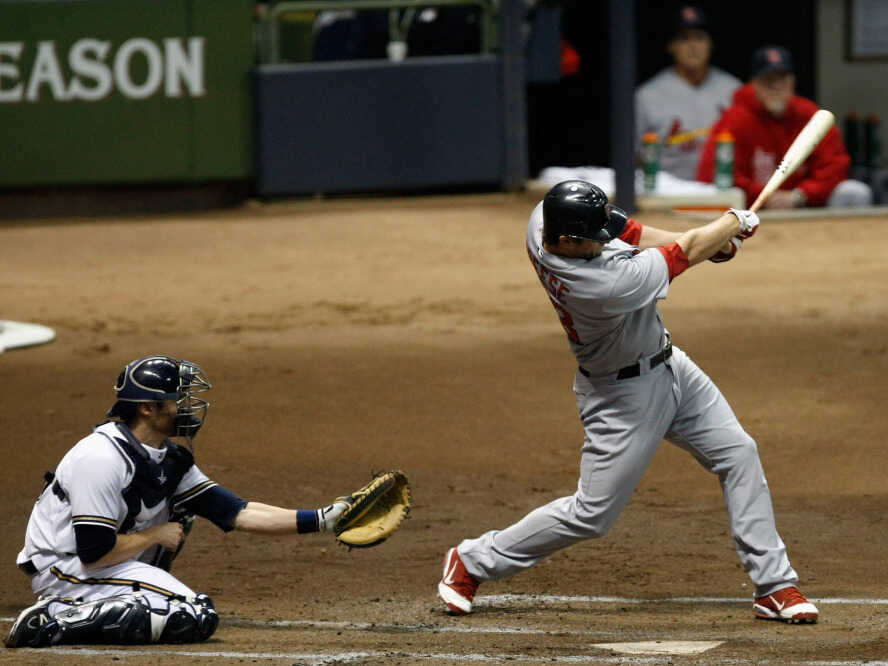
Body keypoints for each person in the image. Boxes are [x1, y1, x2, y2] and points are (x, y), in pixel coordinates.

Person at [437, 180, 819, 625]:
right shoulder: (600, 287)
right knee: (592, 515)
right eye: (591, 242)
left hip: (671, 365)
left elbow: (633, 232)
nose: (603, 245)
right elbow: (684, 251)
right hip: (623, 398)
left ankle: (773, 585)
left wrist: (716, 242)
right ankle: (471, 560)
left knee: (738, 452)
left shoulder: (544, 217)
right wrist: (732, 223)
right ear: (565, 242)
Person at [5, 355, 350, 648]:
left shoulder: (166, 457)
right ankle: (56, 619)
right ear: (147, 408)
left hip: (104, 561)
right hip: (65, 567)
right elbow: (93, 551)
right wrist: (155, 536)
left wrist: (324, 519)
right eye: (176, 399)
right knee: (193, 615)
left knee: (182, 519)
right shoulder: (100, 459)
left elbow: (236, 512)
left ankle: (117, 599)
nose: (185, 407)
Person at [697, 46, 873, 208]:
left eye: (783, 80)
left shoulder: (809, 114)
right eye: (769, 81)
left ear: (793, 81)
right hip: (749, 209)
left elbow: (835, 166)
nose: (777, 87)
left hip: (803, 202)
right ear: (754, 84)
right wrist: (763, 196)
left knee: (854, 192)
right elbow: (714, 173)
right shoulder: (735, 119)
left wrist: (799, 195)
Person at [635, 6, 741, 181]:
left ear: (711, 44)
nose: (693, 46)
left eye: (699, 38)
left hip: (722, 194)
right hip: (668, 196)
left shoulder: (734, 91)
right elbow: (636, 158)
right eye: (684, 39)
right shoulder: (647, 96)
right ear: (671, 46)